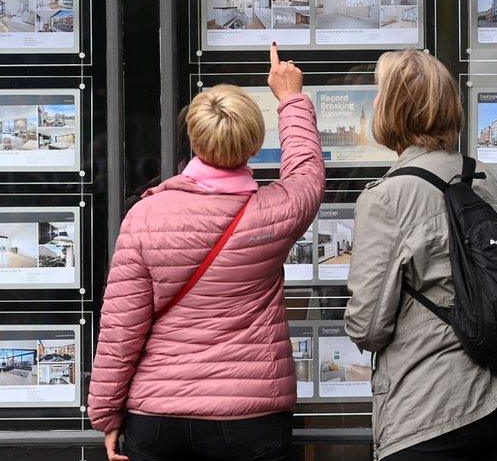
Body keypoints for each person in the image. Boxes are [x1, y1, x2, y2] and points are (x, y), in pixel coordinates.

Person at [88, 44, 326, 461]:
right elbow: (306, 170)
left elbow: (120, 329)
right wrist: (290, 99)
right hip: (250, 418)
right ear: (253, 145)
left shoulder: (145, 216)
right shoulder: (273, 212)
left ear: (194, 140)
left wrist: (107, 414)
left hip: (159, 417)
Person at [344, 49, 497, 460]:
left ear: (392, 110)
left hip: (431, 407)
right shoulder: (484, 178)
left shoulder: (386, 198)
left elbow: (368, 327)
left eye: (379, 95)